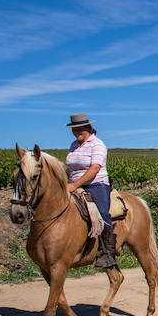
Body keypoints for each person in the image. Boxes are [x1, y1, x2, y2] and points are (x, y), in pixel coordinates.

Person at [64, 113, 117, 269]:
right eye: (74, 129)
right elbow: (70, 168)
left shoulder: (97, 144)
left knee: (101, 213)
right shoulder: (74, 145)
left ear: (87, 127)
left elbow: (94, 169)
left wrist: (75, 185)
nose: (76, 131)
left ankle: (107, 252)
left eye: (79, 128)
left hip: (95, 184)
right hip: (73, 184)